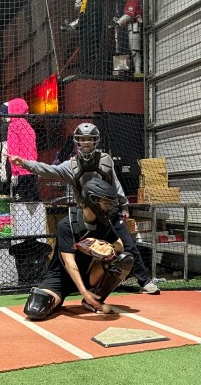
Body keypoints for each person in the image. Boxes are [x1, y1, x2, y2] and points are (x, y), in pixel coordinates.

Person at [11, 123, 160, 294]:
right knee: (74, 249)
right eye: (83, 139)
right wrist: (24, 163)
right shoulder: (71, 166)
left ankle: (144, 282)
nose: (86, 142)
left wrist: (124, 205)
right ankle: (67, 284)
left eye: (90, 139)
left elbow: (115, 183)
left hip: (109, 211)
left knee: (128, 245)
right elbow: (48, 170)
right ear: (77, 142)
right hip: (86, 216)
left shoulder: (105, 160)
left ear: (95, 141)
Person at [24, 178, 134, 320]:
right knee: (35, 309)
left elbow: (120, 246)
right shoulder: (67, 224)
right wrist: (83, 292)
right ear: (93, 201)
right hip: (61, 278)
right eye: (105, 203)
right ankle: (75, 297)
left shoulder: (103, 223)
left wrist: (105, 246)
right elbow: (70, 263)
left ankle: (96, 299)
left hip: (88, 275)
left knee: (124, 260)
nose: (108, 207)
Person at [2, 98, 39, 201]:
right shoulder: (28, 126)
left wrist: (14, 172)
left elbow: (13, 149)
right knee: (34, 200)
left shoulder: (13, 126)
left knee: (22, 201)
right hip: (32, 167)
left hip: (21, 169)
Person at [114, 0, 143, 76]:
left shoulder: (134, 0)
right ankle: (121, 71)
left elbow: (129, 15)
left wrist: (117, 22)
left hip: (134, 29)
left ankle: (137, 72)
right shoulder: (128, 2)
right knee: (125, 49)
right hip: (128, 28)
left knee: (134, 51)